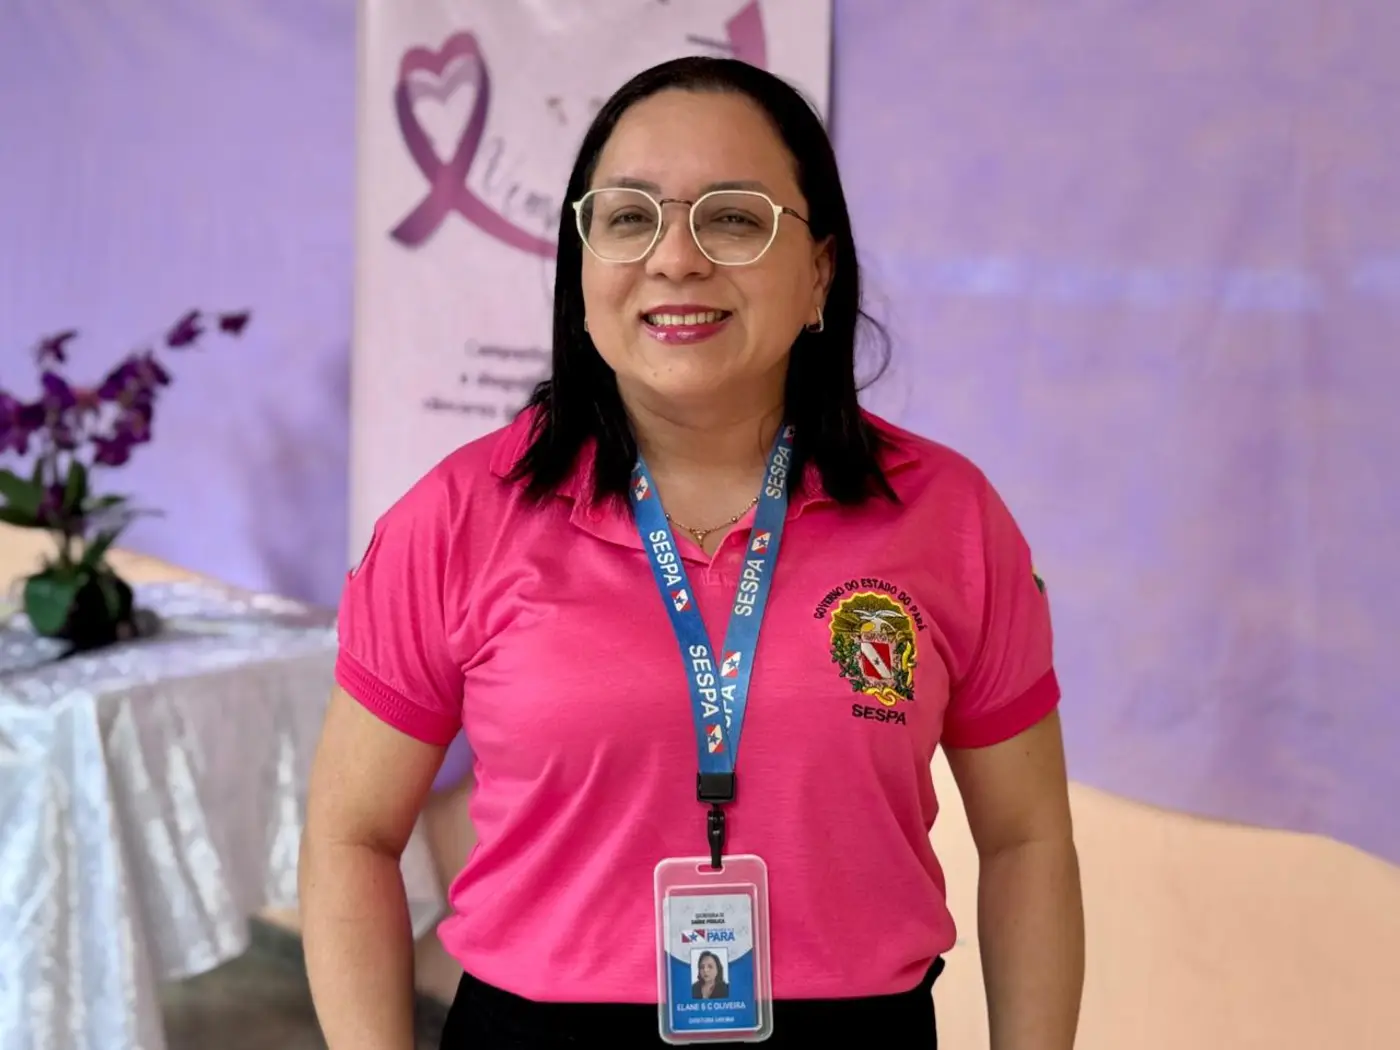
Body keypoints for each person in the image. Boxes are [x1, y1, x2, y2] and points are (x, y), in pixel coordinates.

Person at [299, 55, 1084, 1050]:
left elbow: (1025, 842)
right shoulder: (456, 518)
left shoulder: (947, 517)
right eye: (630, 217)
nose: (675, 258)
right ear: (581, 269)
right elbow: (352, 837)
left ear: (819, 273)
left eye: (734, 218)